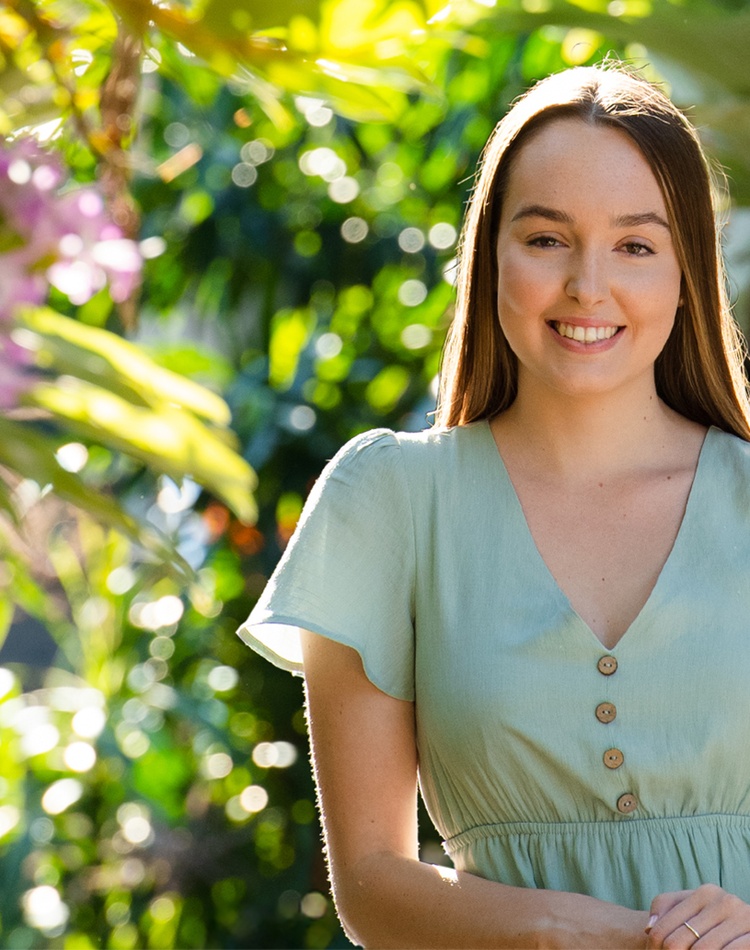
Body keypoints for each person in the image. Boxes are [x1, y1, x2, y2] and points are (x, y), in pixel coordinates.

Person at [238, 64, 750, 949]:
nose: (589, 285)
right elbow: (369, 883)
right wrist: (562, 927)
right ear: (491, 255)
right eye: (547, 238)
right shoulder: (389, 502)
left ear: (685, 272)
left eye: (635, 245)